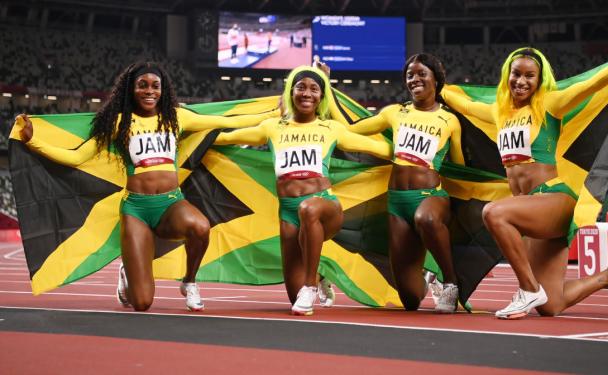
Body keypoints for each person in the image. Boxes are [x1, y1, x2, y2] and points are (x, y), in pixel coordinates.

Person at [15, 62, 278, 312]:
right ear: (132, 88)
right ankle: (128, 270)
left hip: (171, 204)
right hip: (136, 209)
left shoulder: (177, 117)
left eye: (155, 85)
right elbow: (76, 157)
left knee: (200, 227)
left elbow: (230, 122)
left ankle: (189, 281)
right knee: (141, 303)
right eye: (143, 84)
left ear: (163, 90)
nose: (149, 91)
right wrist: (33, 141)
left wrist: (278, 112)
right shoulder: (119, 122)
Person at [441, 42, 608, 319]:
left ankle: (527, 290)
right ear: (506, 75)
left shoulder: (549, 104)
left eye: (529, 76)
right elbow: (467, 105)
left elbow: (590, 85)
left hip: (553, 198)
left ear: (540, 80)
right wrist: (440, 89)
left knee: (494, 213)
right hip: (529, 211)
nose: (521, 81)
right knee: (551, 306)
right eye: (516, 74)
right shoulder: (499, 112)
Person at [215, 66, 393, 316]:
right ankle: (318, 275)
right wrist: (199, 137)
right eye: (301, 87)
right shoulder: (272, 128)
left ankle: (309, 286)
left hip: (324, 206)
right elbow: (226, 138)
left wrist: (414, 156)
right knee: (292, 295)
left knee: (307, 208)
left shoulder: (331, 129)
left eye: (314, 88)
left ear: (321, 96)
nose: (306, 93)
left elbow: (378, 149)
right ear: (291, 92)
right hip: (288, 212)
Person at [319, 54, 465, 313]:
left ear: (436, 79)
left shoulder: (450, 120)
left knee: (427, 220)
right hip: (397, 202)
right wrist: (327, 85)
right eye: (410, 75)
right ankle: (427, 277)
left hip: (431, 196)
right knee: (410, 300)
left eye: (421, 73)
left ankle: (451, 282)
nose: (415, 79)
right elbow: (349, 128)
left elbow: (460, 166)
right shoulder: (394, 113)